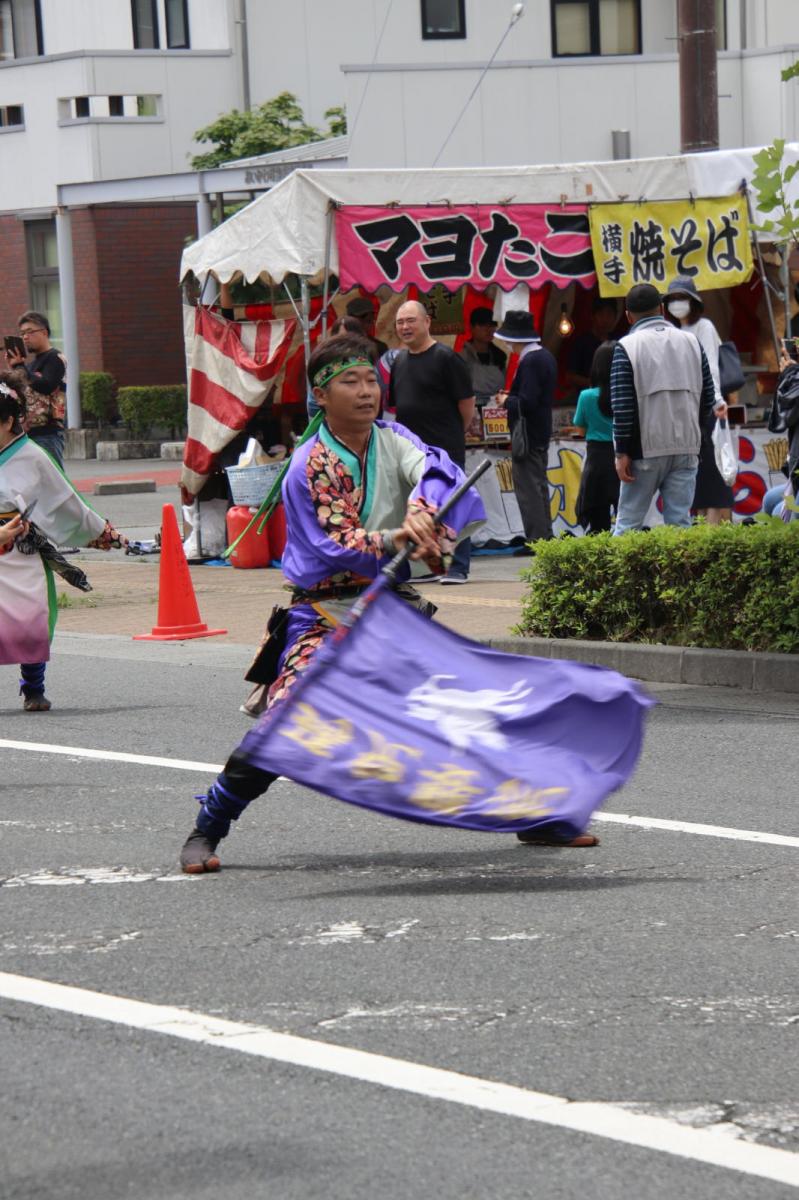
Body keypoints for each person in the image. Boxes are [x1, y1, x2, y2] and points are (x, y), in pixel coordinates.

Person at [178, 333, 486, 873]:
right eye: (351, 381)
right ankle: (209, 825)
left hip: (391, 608)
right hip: (325, 612)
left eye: (372, 380)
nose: (366, 391)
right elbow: (337, 542)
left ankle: (536, 814)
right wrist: (397, 537)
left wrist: (423, 506)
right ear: (321, 394)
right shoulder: (309, 464)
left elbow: (435, 470)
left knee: (468, 710)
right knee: (289, 719)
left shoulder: (393, 437)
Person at [0, 373, 126, 710]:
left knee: (30, 619)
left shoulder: (34, 456)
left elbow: (65, 501)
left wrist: (102, 532)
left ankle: (33, 687)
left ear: (9, 420)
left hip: (22, 550)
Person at [610, 283, 726, 534]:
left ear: (628, 315)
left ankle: (624, 575)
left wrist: (621, 452)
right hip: (687, 446)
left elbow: (622, 406)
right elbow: (709, 398)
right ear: (662, 309)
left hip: (644, 449)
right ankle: (681, 574)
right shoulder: (692, 342)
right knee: (680, 525)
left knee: (628, 524)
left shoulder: (626, 346)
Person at [390, 300, 475, 583]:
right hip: (412, 452)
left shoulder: (446, 358)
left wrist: (453, 435)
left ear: (427, 322)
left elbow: (466, 404)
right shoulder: (399, 361)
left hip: (446, 448)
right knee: (420, 509)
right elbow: (397, 407)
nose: (405, 327)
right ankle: (429, 566)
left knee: (451, 507)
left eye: (410, 320)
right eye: (400, 322)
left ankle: (458, 568)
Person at [665, 276, 733, 524]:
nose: (676, 304)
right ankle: (704, 522)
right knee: (697, 471)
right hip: (687, 410)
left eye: (681, 298)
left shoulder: (704, 327)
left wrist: (716, 402)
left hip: (707, 408)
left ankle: (715, 523)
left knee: (713, 468)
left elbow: (711, 368)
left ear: (693, 302)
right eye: (672, 299)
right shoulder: (674, 331)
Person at [495, 309, 558, 545]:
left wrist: (506, 401)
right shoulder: (544, 356)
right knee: (538, 486)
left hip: (528, 434)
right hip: (539, 432)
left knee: (529, 489)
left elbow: (527, 402)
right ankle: (544, 537)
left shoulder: (531, 360)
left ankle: (537, 540)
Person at [4, 311, 67, 469]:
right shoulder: (30, 365)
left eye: (30, 332)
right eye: (22, 334)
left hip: (48, 433)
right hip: (27, 435)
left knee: (54, 485)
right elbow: (19, 393)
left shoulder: (56, 358)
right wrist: (13, 369)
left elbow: (47, 385)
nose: (25, 337)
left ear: (44, 332)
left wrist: (20, 367)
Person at [573, 342, 619, 533]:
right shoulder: (624, 394)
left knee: (598, 525)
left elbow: (581, 430)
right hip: (621, 457)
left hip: (596, 460)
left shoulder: (586, 396)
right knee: (627, 519)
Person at [566, 297, 619, 396]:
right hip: (586, 395)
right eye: (601, 314)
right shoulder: (581, 342)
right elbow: (570, 376)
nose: (605, 319)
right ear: (593, 316)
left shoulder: (619, 342)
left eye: (609, 314)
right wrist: (593, 384)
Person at [459, 307, 507, 404]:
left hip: (495, 411)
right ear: (471, 327)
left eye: (492, 325)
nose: (488, 329)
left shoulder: (500, 356)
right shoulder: (461, 357)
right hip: (471, 409)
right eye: (482, 325)